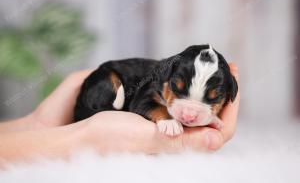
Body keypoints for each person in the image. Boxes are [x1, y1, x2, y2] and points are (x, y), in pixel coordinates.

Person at [0, 64, 240, 165]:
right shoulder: (155, 86)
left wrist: (39, 123)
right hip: (108, 91)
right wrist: (85, 136)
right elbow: (148, 104)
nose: (188, 110)